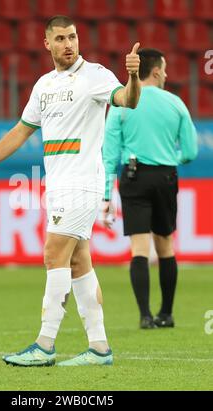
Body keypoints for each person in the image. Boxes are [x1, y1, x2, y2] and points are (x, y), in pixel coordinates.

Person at [0, 15, 141, 366]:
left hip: (81, 183)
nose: (68, 44)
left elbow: (128, 100)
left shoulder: (96, 76)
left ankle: (45, 345)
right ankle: (99, 348)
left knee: (52, 254)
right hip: (58, 185)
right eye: (60, 39)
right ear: (47, 44)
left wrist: (134, 76)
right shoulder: (43, 86)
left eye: (72, 37)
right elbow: (20, 131)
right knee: (77, 261)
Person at [103, 48, 198, 329]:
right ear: (156, 71)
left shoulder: (120, 104)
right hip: (166, 176)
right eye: (165, 69)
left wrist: (107, 194)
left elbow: (109, 154)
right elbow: (190, 151)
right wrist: (171, 158)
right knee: (166, 246)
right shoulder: (176, 104)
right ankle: (166, 313)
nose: (166, 74)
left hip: (134, 176)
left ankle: (145, 315)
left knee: (139, 248)